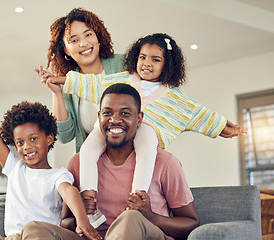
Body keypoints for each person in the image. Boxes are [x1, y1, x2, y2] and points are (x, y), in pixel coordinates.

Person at [41, 33, 247, 218]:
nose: (147, 63)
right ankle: (88, 194)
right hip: (113, 129)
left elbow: (201, 115)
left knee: (147, 143)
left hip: (148, 130)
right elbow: (89, 84)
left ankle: (137, 196)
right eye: (142, 57)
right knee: (87, 149)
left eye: (155, 59)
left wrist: (223, 127)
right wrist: (57, 80)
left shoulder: (176, 98)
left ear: (168, 65)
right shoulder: (123, 79)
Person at [28, 83, 200, 239]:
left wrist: (151, 216)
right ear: (99, 117)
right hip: (95, 236)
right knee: (33, 229)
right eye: (107, 113)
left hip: (143, 234)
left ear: (139, 119)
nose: (115, 120)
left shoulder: (165, 163)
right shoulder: (79, 162)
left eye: (125, 113)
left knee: (130, 218)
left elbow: (191, 222)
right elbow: (66, 222)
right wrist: (81, 213)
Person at [0, 76, 102, 240]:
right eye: (20, 142)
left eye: (33, 139)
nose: (26, 147)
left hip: (39, 235)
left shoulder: (58, 175)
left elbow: (69, 192)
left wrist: (82, 221)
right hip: (11, 238)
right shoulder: (14, 167)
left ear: (49, 139)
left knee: (31, 230)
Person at [35, 8, 125, 154]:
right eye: (74, 40)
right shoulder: (69, 85)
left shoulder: (124, 64)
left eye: (88, 34)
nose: (83, 43)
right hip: (94, 166)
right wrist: (57, 92)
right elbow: (65, 136)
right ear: (65, 50)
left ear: (98, 37)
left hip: (132, 159)